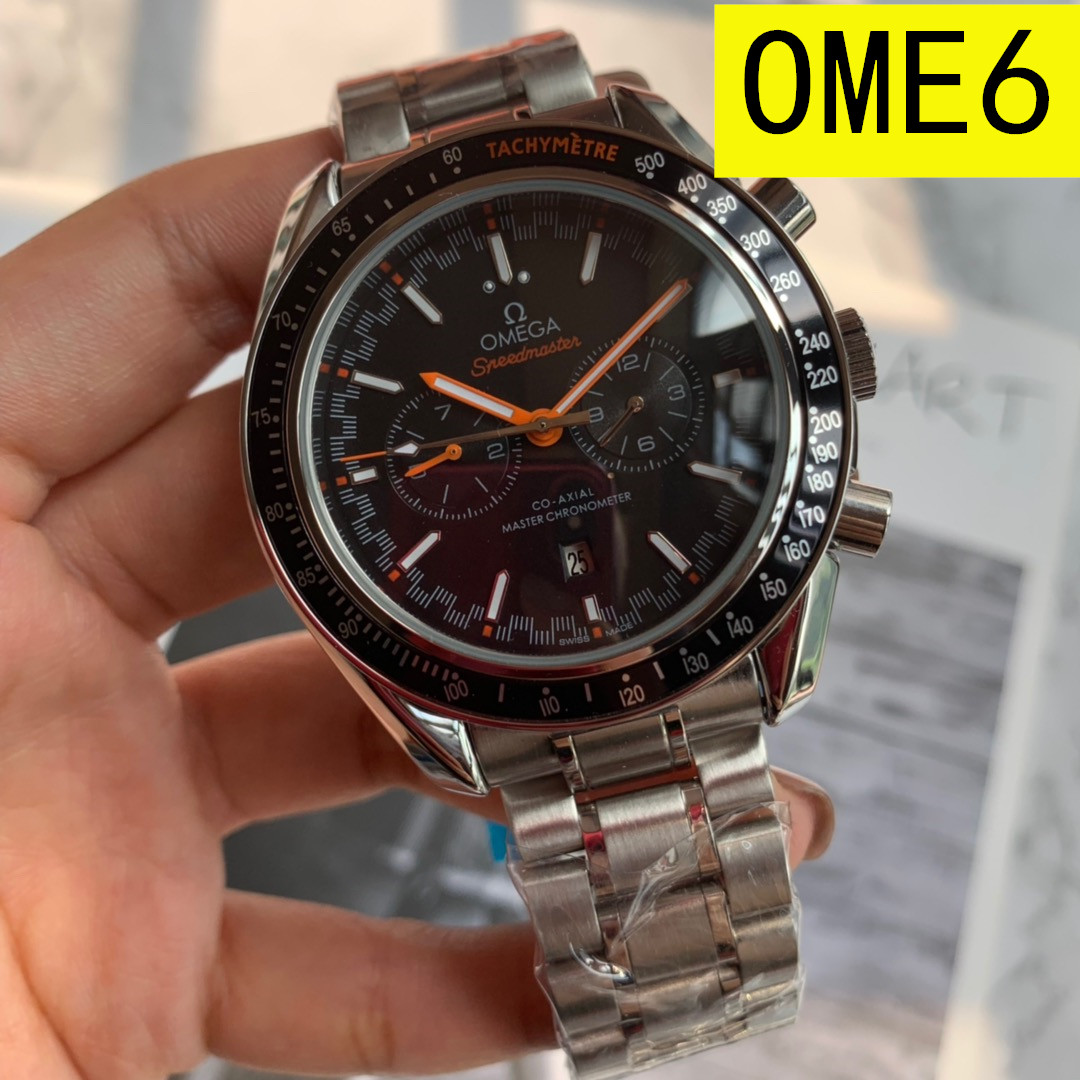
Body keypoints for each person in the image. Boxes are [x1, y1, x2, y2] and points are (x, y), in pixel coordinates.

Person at [0, 130, 835, 1080]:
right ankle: (688, 990)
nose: (545, 434)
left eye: (553, 431)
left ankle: (698, 985)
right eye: (529, 431)